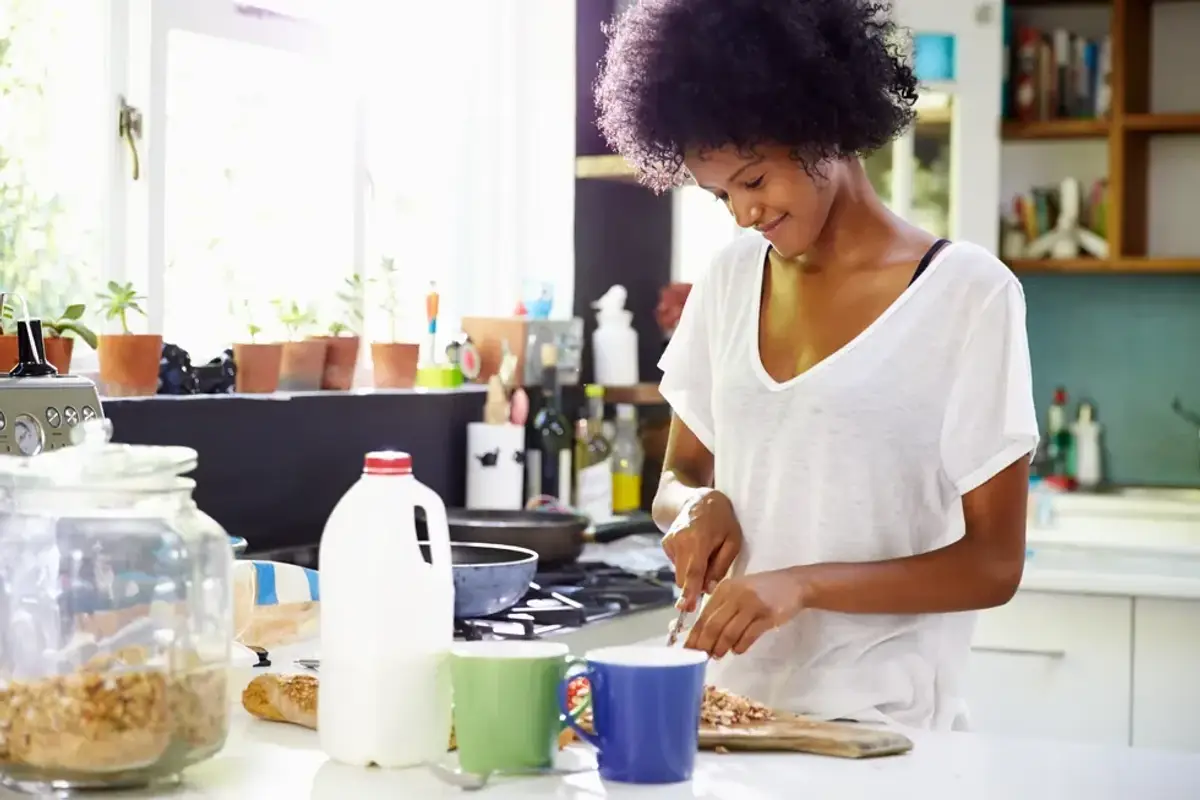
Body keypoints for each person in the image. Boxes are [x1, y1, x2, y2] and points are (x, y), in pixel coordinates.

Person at [594, 0, 1039, 730]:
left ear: (822, 123)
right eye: (721, 195)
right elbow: (680, 478)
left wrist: (799, 585)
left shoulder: (969, 296)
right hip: (728, 714)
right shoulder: (731, 280)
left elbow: (994, 565)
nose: (742, 212)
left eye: (754, 178)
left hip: (879, 728)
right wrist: (693, 509)